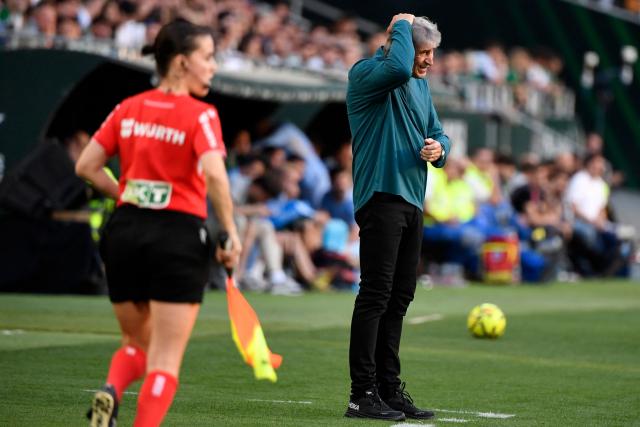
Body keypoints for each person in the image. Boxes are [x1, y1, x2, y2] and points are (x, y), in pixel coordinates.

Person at [75, 19, 241, 427]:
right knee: (166, 359)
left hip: (125, 232)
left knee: (135, 342)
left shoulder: (128, 108)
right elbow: (216, 175)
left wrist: (127, 194)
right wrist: (231, 231)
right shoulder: (201, 115)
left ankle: (111, 392)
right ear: (182, 62)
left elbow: (86, 166)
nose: (214, 67)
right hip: (178, 236)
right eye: (208, 57)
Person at [344, 13, 450, 421]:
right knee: (376, 294)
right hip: (380, 195)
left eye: (432, 53)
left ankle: (388, 389)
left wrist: (440, 150)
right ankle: (361, 393)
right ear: (401, 43)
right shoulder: (368, 73)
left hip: (411, 200)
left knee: (400, 296)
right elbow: (395, 66)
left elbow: (440, 132)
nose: (429, 61)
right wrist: (402, 23)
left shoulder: (420, 87)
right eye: (424, 52)